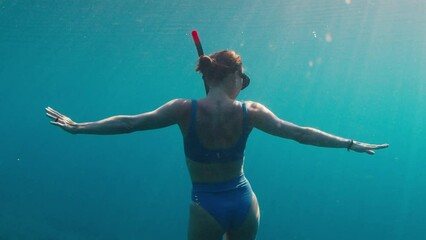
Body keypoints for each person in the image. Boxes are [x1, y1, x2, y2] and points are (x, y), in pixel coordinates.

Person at [45, 50, 388, 240]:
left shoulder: (183, 109)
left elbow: (129, 124)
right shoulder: (251, 111)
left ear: (207, 76)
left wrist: (79, 127)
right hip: (244, 200)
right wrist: (348, 142)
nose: (245, 85)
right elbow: (299, 133)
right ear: (234, 76)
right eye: (244, 78)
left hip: (206, 204)